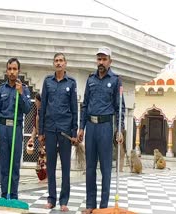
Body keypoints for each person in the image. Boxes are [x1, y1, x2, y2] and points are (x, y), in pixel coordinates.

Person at [78, 47, 125, 213]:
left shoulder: (116, 80)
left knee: (105, 168)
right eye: (99, 59)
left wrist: (119, 129)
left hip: (106, 127)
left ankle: (104, 207)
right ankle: (91, 205)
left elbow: (120, 108)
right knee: (90, 168)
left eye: (104, 59)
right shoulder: (90, 79)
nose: (101, 62)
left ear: (110, 61)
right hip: (90, 127)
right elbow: (85, 105)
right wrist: (81, 127)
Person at [38, 53, 78, 212]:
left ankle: (64, 200)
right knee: (51, 166)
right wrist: (41, 131)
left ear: (65, 64)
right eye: (56, 61)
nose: (59, 63)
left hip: (65, 131)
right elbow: (43, 108)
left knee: (66, 167)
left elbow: (75, 109)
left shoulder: (72, 83)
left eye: (61, 61)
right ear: (53, 63)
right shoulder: (47, 82)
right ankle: (51, 199)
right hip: (49, 129)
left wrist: (74, 132)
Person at [0, 57, 31, 200]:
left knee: (14, 164)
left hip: (16, 128)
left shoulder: (24, 89)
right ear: (7, 71)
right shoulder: (1, 89)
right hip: (3, 128)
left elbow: (27, 109)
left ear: (19, 71)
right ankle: (4, 194)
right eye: (10, 69)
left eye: (15, 69)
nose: (12, 72)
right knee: (4, 163)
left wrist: (20, 94)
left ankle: (13, 195)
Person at [27, 93, 47, 182]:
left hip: (47, 141)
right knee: (40, 162)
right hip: (40, 142)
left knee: (45, 161)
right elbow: (35, 128)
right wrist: (32, 138)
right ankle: (42, 179)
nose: (35, 102)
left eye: (36, 100)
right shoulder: (36, 112)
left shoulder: (46, 112)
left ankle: (46, 180)